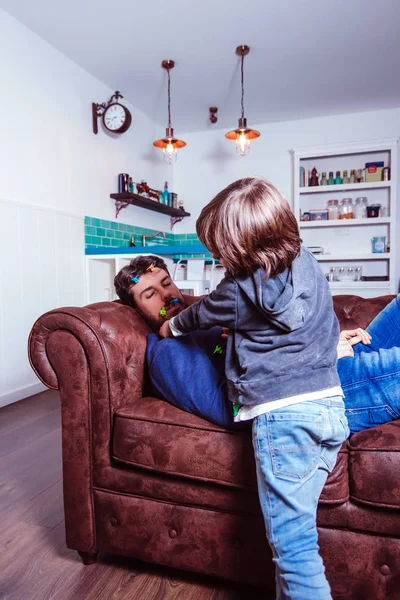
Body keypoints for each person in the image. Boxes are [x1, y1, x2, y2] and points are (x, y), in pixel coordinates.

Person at [116, 177, 347, 600]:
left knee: (294, 553)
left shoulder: (234, 295)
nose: (167, 293)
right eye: (150, 293)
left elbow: (201, 312)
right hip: (324, 403)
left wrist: (179, 322)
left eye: (167, 282)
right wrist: (172, 330)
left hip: (285, 412)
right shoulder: (305, 263)